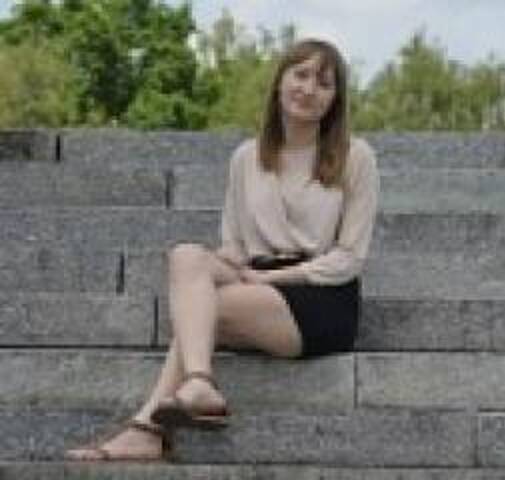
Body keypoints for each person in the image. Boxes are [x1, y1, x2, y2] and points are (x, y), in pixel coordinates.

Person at [65, 37, 379, 462]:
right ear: (280, 81)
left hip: (319, 296)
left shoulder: (355, 156)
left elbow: (349, 258)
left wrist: (270, 277)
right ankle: (197, 383)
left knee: (204, 308)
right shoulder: (246, 157)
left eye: (323, 83)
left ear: (335, 99)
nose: (308, 89)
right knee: (186, 257)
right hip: (256, 277)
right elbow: (235, 242)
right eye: (300, 75)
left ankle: (148, 427)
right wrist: (224, 263)